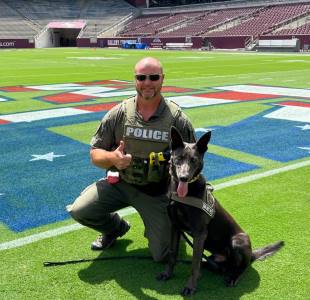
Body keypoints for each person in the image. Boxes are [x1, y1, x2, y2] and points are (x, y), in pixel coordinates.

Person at [67, 57, 196, 262]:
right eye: (141, 77)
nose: (147, 83)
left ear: (162, 79)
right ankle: (115, 228)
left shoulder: (177, 119)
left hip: (156, 192)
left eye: (153, 77)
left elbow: (192, 160)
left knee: (163, 255)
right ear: (135, 80)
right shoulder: (119, 113)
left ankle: (168, 227)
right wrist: (113, 158)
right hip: (120, 183)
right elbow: (95, 154)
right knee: (80, 210)